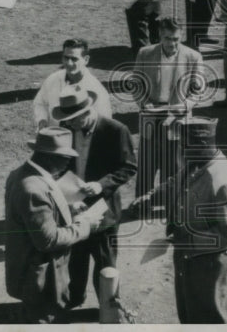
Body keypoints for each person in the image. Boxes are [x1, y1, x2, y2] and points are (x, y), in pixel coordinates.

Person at [131, 116, 227, 324]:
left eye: (184, 145)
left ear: (202, 145)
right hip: (187, 256)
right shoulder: (196, 163)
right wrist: (152, 196)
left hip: (208, 262)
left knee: (209, 315)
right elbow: (176, 182)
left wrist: (187, 241)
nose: (180, 150)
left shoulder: (224, 181)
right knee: (189, 312)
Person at [4, 127, 103, 323]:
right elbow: (48, 240)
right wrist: (86, 225)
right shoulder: (34, 189)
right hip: (41, 279)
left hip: (32, 272)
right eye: (65, 157)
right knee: (46, 320)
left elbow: (35, 216)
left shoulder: (22, 174)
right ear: (48, 157)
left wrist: (66, 208)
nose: (69, 162)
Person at [53, 87, 137, 311]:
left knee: (105, 260)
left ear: (88, 111)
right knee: (76, 257)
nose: (70, 124)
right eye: (67, 120)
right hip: (74, 205)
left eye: (74, 119)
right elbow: (61, 163)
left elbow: (129, 166)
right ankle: (75, 296)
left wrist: (101, 184)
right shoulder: (67, 129)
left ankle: (108, 304)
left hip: (104, 208)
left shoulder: (116, 130)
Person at [132, 17, 204, 197]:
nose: (172, 44)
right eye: (167, 39)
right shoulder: (145, 53)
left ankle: (170, 204)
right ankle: (142, 203)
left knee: (174, 164)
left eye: (176, 39)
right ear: (160, 36)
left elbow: (198, 90)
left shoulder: (193, 57)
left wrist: (186, 105)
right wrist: (143, 102)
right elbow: (136, 84)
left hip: (177, 117)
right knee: (147, 163)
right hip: (150, 114)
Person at [33, 38, 113, 131]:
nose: (68, 63)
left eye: (74, 59)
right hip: (54, 139)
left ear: (86, 60)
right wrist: (42, 120)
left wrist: (88, 122)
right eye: (66, 58)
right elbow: (40, 103)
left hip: (83, 141)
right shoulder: (53, 79)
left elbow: (105, 123)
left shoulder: (96, 89)